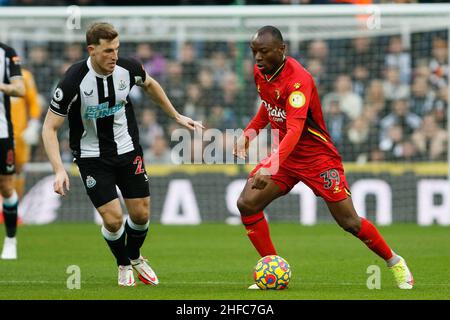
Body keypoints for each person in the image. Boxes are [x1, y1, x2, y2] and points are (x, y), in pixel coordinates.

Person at [233, 26, 414, 290]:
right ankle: (272, 268)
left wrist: (271, 165)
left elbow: (295, 129)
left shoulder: (298, 81)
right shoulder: (260, 73)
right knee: (247, 204)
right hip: (287, 156)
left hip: (318, 158)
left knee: (349, 222)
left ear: (282, 50)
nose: (257, 58)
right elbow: (269, 106)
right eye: (254, 52)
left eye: (263, 52)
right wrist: (249, 133)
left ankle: (394, 261)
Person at [41, 22, 203, 286]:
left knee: (140, 215)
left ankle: (136, 255)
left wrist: (175, 115)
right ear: (91, 50)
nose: (114, 56)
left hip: (127, 149)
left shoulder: (127, 68)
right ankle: (123, 263)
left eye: (116, 49)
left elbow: (150, 84)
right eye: (107, 51)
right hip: (91, 157)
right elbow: (49, 127)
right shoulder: (73, 81)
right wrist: (59, 169)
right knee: (114, 220)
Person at [0, 42, 25, 260]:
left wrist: (1, 86)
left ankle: (10, 239)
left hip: (1, 132)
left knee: (6, 186)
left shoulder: (7, 53)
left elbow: (20, 89)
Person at [10, 67, 42, 200]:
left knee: (18, 169)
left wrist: (34, 124)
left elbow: (34, 101)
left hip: (19, 134)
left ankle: (15, 208)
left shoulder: (25, 76)